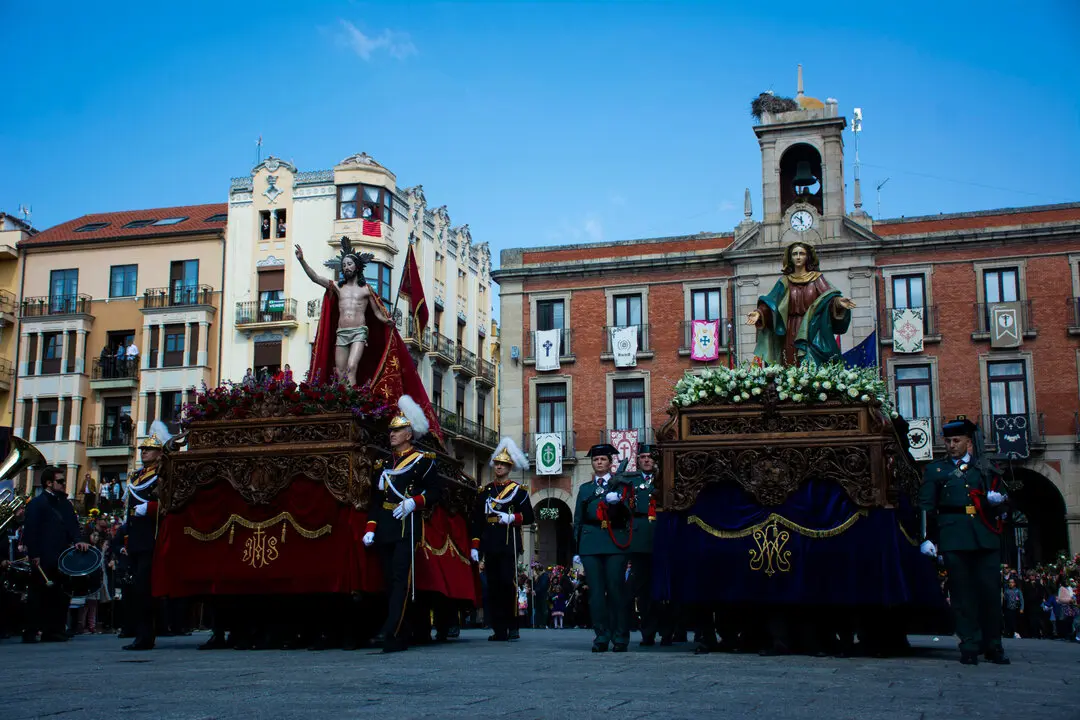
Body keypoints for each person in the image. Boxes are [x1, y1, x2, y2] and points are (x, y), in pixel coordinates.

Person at [919, 416, 1009, 666]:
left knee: (990, 593)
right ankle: (969, 644)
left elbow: (1005, 501)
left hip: (984, 534)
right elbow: (927, 506)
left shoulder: (986, 468)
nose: (951, 445)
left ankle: (994, 645)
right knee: (962, 594)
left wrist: (997, 502)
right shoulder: (937, 470)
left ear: (969, 442)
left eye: (956, 440)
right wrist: (927, 538)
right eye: (948, 441)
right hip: (954, 535)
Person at [362, 396, 440, 653]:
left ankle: (392, 631)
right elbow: (376, 500)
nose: (391, 434)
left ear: (409, 433)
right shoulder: (384, 464)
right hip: (385, 526)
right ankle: (401, 629)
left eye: (396, 430)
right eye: (391, 430)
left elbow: (435, 493)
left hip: (407, 526)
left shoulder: (423, 461)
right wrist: (370, 528)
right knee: (388, 580)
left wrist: (414, 503)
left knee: (399, 579)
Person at [296, 237, 390, 386]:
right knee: (340, 372)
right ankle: (345, 400)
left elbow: (377, 312)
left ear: (357, 267)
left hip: (359, 332)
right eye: (344, 265)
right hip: (342, 333)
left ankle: (352, 404)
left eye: (349, 264)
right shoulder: (338, 287)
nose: (346, 267)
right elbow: (315, 278)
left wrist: (386, 320)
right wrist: (302, 260)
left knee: (351, 367)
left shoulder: (366, 290)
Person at [745, 241, 856, 365]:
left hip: (811, 329)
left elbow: (828, 298)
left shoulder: (817, 279)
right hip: (790, 329)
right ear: (790, 258)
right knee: (790, 360)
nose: (798, 257)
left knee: (812, 362)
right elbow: (772, 301)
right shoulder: (785, 281)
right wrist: (759, 313)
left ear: (808, 257)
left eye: (802, 254)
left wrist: (838, 303)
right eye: (795, 254)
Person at [470, 437, 534, 642]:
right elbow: (477, 520)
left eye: (503, 464)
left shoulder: (518, 491)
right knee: (493, 586)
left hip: (508, 542)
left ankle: (512, 625)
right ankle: (498, 628)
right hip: (490, 542)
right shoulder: (486, 491)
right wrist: (475, 545)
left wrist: (512, 518)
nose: (499, 467)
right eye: (497, 464)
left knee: (508, 584)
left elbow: (530, 517)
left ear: (509, 467)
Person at [573, 444, 634, 652]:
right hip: (590, 542)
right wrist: (577, 548)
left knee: (616, 590)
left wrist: (618, 503)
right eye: (595, 459)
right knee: (596, 594)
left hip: (614, 541)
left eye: (603, 459)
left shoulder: (621, 485)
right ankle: (601, 636)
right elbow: (578, 520)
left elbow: (629, 515)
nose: (599, 462)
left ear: (610, 463)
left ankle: (620, 637)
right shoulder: (585, 489)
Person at [22, 467, 89, 642]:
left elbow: (73, 527)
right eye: (60, 481)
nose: (63, 484)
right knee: (38, 595)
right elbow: (31, 531)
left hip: (63, 557)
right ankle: (31, 630)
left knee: (61, 595)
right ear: (48, 483)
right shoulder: (37, 503)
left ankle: (55, 630)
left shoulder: (65, 504)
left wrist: (78, 540)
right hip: (43, 557)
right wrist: (34, 554)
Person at [122, 423, 170, 651]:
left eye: (149, 449)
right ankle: (138, 632)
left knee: (144, 590)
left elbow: (168, 503)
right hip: (136, 540)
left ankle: (145, 635)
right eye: (142, 449)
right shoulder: (137, 475)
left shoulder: (162, 474)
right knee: (135, 590)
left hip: (152, 538)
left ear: (160, 452)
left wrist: (148, 509)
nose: (144, 453)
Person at [629, 444, 659, 646]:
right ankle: (647, 632)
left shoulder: (663, 477)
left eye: (650, 457)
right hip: (640, 539)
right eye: (643, 457)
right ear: (638, 460)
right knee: (643, 590)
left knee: (663, 587)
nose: (647, 460)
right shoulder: (631, 481)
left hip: (661, 536)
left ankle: (668, 630)